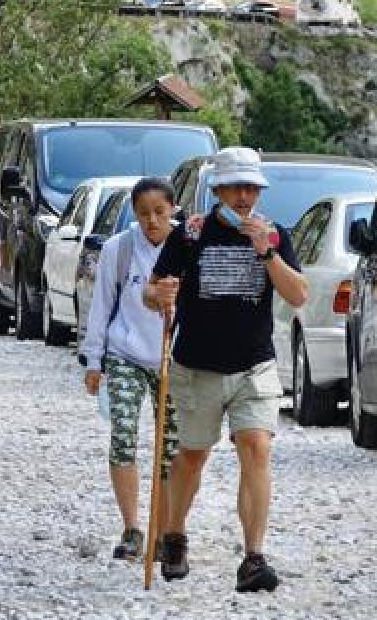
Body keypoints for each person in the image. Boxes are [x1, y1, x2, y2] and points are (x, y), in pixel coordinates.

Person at [144, 147, 307, 592]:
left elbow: (298, 295)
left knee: (255, 448)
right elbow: (153, 290)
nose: (243, 196)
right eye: (235, 186)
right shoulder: (191, 235)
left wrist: (267, 253)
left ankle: (254, 558)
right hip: (196, 366)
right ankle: (174, 534)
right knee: (192, 455)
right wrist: (159, 296)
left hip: (254, 365)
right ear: (217, 189)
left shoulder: (276, 234)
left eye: (251, 187)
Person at [79, 177, 180, 562]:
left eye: (159, 212)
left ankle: (164, 531)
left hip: (173, 358)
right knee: (123, 433)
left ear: (172, 209)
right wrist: (93, 358)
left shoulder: (187, 247)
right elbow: (102, 305)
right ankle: (132, 527)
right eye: (143, 213)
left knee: (170, 449)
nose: (152, 221)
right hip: (126, 354)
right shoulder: (119, 249)